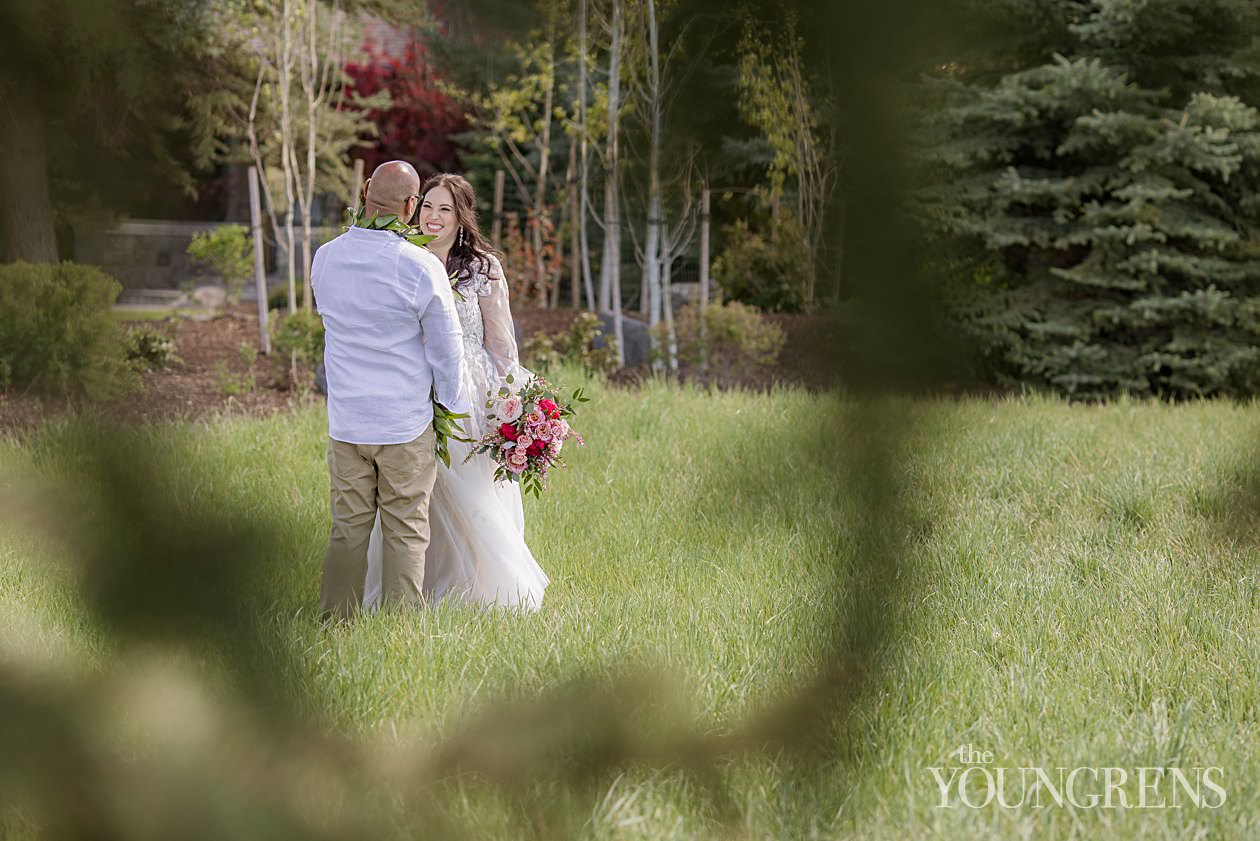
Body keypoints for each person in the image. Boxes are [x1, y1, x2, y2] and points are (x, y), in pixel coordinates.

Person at [364, 173, 550, 611]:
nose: (433, 217)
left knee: (468, 489)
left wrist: (512, 403)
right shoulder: (404, 257)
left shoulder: (482, 267)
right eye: (427, 206)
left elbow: (501, 341)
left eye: (445, 209)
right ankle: (414, 587)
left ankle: (481, 588)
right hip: (414, 383)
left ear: (462, 217)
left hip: (471, 387)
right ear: (414, 207)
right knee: (416, 490)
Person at [312, 161, 470, 621]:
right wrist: (452, 408)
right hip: (403, 425)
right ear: (410, 206)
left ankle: (334, 622)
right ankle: (399, 629)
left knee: (347, 529)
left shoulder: (326, 257)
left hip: (347, 423)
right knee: (405, 529)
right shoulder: (420, 267)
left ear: (364, 193)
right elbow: (446, 351)